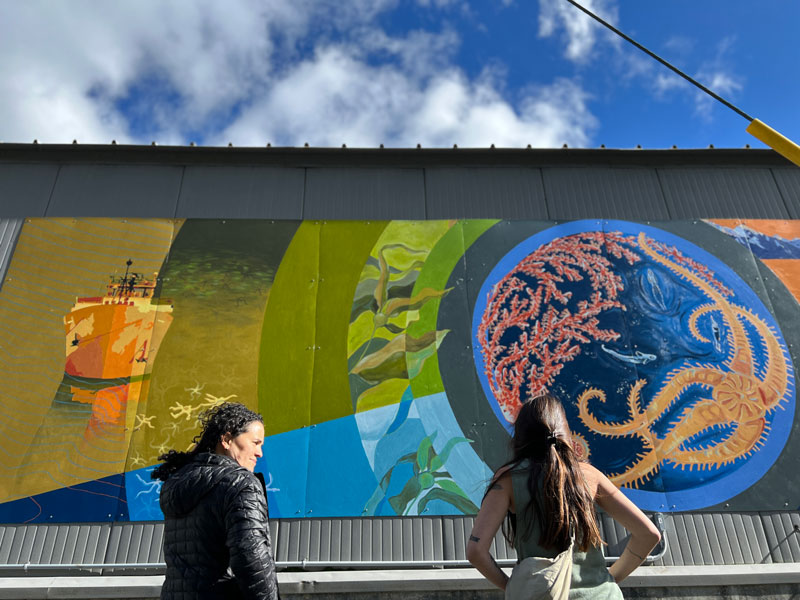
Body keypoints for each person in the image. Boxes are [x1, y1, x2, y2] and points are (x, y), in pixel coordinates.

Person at [467, 393, 661, 599]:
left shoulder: (508, 480)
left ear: (521, 436)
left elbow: (475, 551)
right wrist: (608, 579)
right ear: (566, 430)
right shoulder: (589, 475)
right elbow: (649, 534)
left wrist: (512, 587)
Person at [152, 402, 280, 600]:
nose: (259, 453)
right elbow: (251, 560)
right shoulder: (241, 484)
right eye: (255, 443)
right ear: (227, 439)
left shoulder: (177, 482)